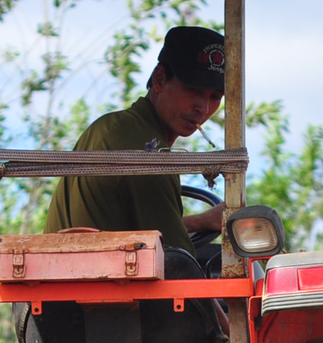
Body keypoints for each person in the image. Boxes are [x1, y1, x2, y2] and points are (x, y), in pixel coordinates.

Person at [45, 25, 227, 257]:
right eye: (193, 90)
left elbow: (132, 232)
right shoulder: (148, 152)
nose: (204, 108)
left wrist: (197, 222)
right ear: (160, 80)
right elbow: (176, 262)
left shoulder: (114, 127)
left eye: (215, 97)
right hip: (102, 290)